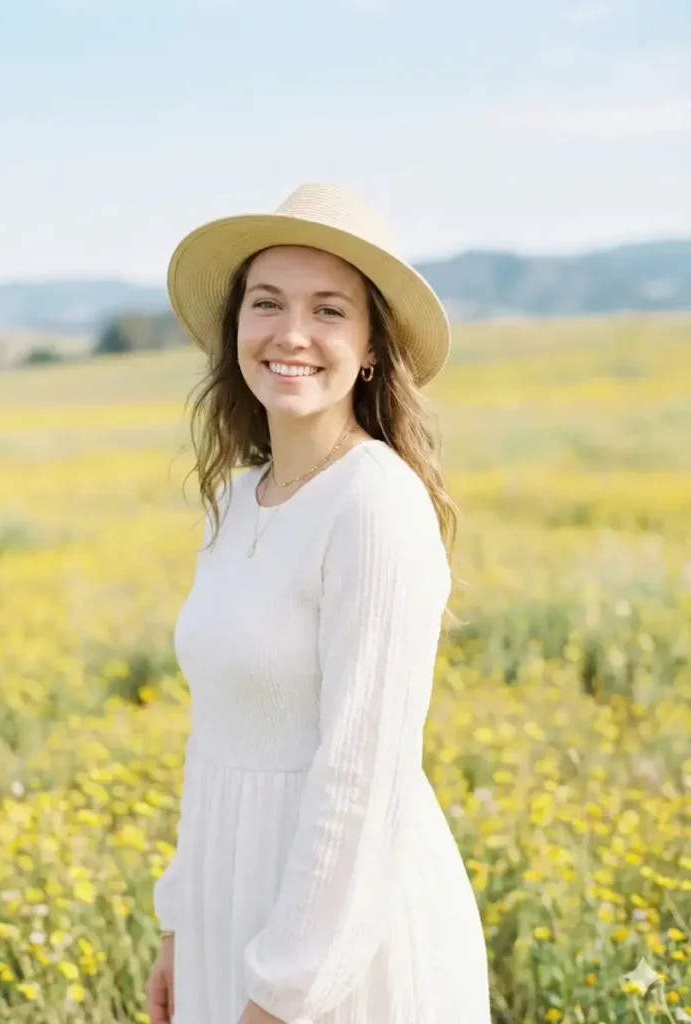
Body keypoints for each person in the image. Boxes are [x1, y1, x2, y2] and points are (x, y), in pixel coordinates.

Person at [145, 182, 492, 1024]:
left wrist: (287, 992)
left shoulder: (375, 503)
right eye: (266, 304)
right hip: (232, 910)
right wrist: (180, 925)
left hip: (342, 945)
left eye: (328, 310)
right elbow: (215, 734)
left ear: (371, 348)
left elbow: (362, 776)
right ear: (235, 332)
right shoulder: (234, 499)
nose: (290, 335)